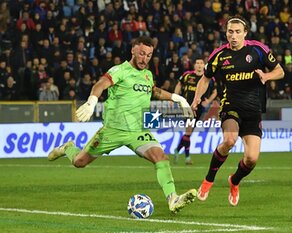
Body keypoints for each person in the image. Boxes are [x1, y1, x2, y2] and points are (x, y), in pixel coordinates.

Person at [48, 36, 196, 213]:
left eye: (149, 55)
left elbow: (154, 91)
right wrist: (91, 101)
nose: (145, 59)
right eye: (142, 54)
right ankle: (68, 148)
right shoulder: (120, 70)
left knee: (161, 158)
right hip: (112, 131)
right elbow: (101, 84)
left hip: (138, 131)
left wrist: (178, 98)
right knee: (79, 162)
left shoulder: (147, 75)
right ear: (133, 50)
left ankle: (173, 199)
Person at [191, 15, 284, 206]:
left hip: (253, 110)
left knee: (251, 159)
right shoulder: (219, 55)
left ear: (245, 34)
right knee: (229, 140)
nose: (233, 36)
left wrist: (266, 76)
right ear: (226, 33)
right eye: (230, 32)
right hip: (230, 107)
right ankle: (208, 180)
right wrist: (196, 98)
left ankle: (234, 181)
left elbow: (280, 71)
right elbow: (205, 78)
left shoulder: (258, 50)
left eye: (237, 32)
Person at [174, 57, 217, 165]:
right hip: (188, 107)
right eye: (197, 63)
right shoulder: (188, 75)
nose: (199, 65)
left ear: (204, 65)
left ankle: (177, 149)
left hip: (200, 108)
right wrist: (175, 97)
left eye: (201, 63)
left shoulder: (208, 78)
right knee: (188, 132)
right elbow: (179, 84)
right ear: (194, 65)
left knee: (189, 133)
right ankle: (187, 157)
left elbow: (215, 91)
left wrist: (208, 101)